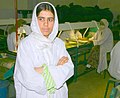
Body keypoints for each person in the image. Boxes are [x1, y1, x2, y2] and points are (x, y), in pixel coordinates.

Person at [14, 2, 74, 98]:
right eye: (41, 19)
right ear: (35, 20)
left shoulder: (58, 43)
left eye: (50, 19)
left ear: (55, 21)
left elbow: (69, 69)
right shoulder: (26, 45)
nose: (46, 24)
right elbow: (29, 78)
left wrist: (43, 70)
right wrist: (57, 68)